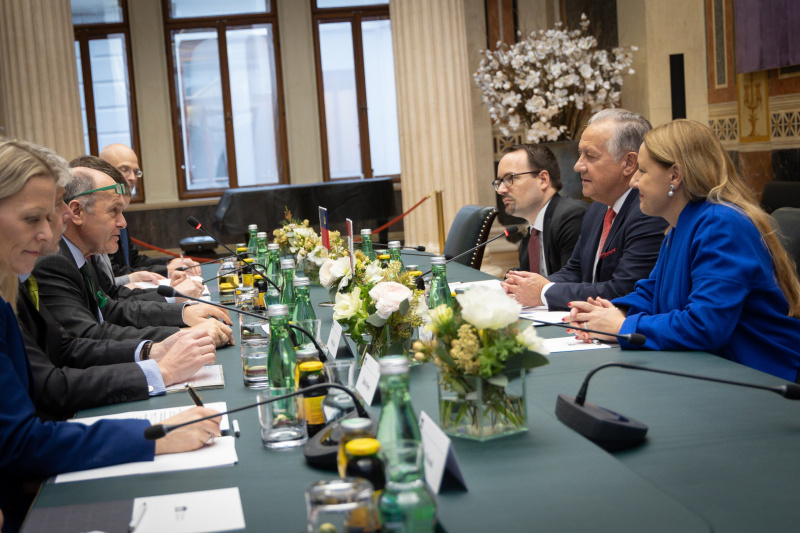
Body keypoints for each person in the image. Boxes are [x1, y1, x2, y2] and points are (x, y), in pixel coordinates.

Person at [0, 138, 221, 532]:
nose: (50, 235)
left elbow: (73, 341)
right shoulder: (39, 270)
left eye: (50, 219)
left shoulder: (12, 284)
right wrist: (154, 431)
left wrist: (156, 349)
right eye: (35, 219)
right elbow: (24, 435)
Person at [566, 120, 800, 382]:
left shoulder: (720, 225)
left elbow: (705, 326)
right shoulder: (681, 224)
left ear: (675, 176)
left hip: (760, 378)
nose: (633, 181)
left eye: (642, 171)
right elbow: (649, 292)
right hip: (710, 371)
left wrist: (622, 327)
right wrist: (609, 313)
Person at [15, 144, 217, 420]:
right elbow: (53, 383)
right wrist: (160, 369)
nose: (62, 216)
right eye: (35, 215)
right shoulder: (49, 262)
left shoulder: (61, 261)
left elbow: (78, 336)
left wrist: (155, 348)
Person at [32, 160, 232, 345]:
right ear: (77, 212)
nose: (123, 223)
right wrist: (181, 336)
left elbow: (110, 309)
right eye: (114, 211)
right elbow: (88, 335)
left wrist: (182, 313)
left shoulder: (80, 256)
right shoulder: (55, 261)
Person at [502, 109, 669, 310]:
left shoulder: (648, 211)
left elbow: (624, 290)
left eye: (590, 156)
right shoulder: (597, 208)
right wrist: (527, 285)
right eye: (579, 154)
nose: (578, 166)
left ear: (629, 163)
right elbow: (575, 271)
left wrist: (544, 292)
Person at [99, 143, 200, 278]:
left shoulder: (120, 211)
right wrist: (165, 270)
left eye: (136, 172)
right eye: (124, 169)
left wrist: (169, 263)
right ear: (102, 171)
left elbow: (133, 261)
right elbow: (112, 274)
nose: (132, 177)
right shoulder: (100, 216)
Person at [495, 144, 587, 275]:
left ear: (543, 179)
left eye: (510, 178)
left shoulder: (571, 217)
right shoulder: (531, 236)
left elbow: (571, 284)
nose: (500, 190)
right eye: (499, 183)